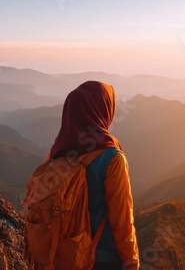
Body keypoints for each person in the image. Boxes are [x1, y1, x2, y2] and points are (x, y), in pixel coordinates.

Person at [49, 81, 140, 270]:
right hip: (100, 260)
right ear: (104, 110)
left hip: (61, 257)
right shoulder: (112, 159)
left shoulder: (56, 153)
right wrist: (131, 262)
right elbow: (122, 221)